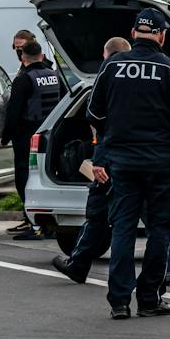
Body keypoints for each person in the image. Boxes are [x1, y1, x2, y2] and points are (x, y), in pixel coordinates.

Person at [87, 9, 170, 320]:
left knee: (123, 229)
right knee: (160, 230)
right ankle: (150, 298)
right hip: (160, 165)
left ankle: (119, 301)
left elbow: (94, 114)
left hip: (122, 164)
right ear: (163, 36)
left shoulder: (112, 65)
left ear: (133, 32)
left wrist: (110, 143)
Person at [52, 37, 130, 283]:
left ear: (105, 55)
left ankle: (78, 265)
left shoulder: (105, 80)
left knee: (97, 213)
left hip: (110, 156)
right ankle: (164, 272)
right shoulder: (147, 80)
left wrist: (98, 160)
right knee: (155, 221)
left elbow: (95, 119)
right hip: (144, 160)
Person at [2, 39, 66, 237]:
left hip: (27, 135)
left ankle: (35, 225)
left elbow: (13, 111)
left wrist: (5, 137)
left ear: (23, 56)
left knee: (25, 178)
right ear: (41, 54)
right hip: (52, 134)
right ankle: (47, 224)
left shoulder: (24, 79)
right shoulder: (55, 75)